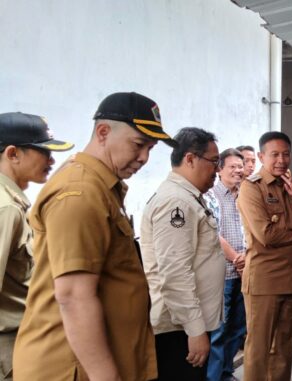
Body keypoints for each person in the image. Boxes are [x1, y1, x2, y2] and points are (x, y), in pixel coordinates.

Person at [13, 92, 175, 380]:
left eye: (151, 148)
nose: (144, 158)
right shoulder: (80, 193)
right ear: (103, 133)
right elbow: (74, 296)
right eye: (138, 145)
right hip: (72, 368)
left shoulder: (100, 187)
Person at [236, 131, 292, 381]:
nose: (281, 160)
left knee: (283, 350)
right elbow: (267, 235)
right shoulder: (251, 189)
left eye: (285, 154)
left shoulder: (291, 187)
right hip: (264, 282)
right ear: (262, 156)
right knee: (259, 351)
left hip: (291, 281)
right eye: (274, 154)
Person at [140, 127, 225, 381]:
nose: (217, 170)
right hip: (178, 328)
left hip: (185, 325)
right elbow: (175, 272)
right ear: (190, 159)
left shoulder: (188, 197)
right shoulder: (177, 202)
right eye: (214, 162)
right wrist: (195, 330)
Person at [0, 113, 73, 380]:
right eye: (43, 151)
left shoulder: (13, 202)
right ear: (12, 153)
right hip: (9, 350)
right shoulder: (6, 208)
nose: (52, 160)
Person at [204, 148, 247, 381]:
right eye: (232, 166)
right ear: (219, 169)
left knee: (238, 329)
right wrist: (237, 258)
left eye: (240, 167)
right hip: (222, 273)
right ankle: (214, 377)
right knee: (218, 331)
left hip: (245, 273)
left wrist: (247, 259)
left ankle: (226, 372)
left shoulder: (245, 194)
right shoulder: (211, 195)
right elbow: (212, 233)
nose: (238, 171)